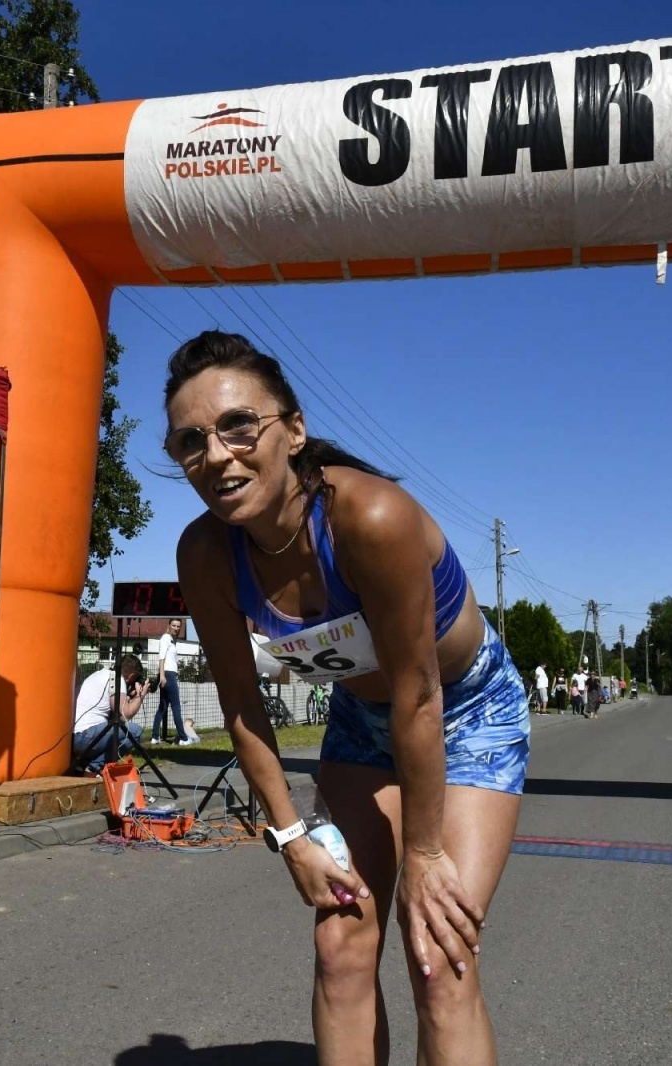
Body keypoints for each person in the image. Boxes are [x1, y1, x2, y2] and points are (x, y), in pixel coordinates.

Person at [165, 331, 528, 1065]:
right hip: (362, 721)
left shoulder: (370, 519)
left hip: (464, 711)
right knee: (339, 944)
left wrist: (423, 852)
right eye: (191, 441)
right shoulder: (205, 553)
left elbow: (421, 696)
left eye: (240, 425)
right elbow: (240, 703)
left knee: (438, 952)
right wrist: (291, 838)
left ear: (293, 431)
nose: (218, 454)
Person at [72, 653, 146, 774]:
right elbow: (124, 715)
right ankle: (94, 767)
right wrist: (141, 696)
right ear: (132, 676)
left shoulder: (100, 674)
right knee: (136, 731)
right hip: (86, 736)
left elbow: (113, 715)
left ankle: (82, 765)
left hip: (73, 739)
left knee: (117, 729)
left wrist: (129, 697)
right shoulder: (117, 679)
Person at [151, 618, 198, 745]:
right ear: (169, 625)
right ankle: (183, 738)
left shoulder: (171, 640)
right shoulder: (166, 638)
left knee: (162, 707)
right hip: (168, 676)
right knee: (176, 707)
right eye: (174, 625)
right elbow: (161, 658)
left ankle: (155, 737)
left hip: (168, 675)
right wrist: (162, 676)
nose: (176, 628)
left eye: (178, 626)